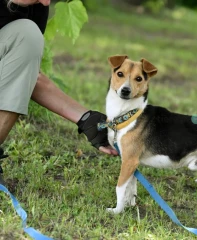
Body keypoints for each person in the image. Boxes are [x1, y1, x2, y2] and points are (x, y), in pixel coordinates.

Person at [0, 0, 118, 185]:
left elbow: (27, 74)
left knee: (27, 34)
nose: (46, 2)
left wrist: (88, 119)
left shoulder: (35, 8)